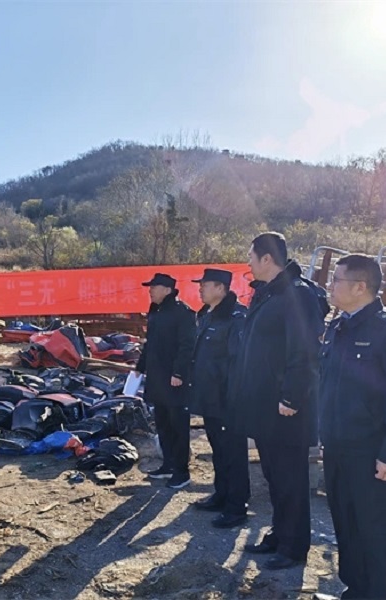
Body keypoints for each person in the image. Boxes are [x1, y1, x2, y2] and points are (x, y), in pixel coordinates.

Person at [319, 254, 386, 599]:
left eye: (336, 280)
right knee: (349, 530)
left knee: (382, 538)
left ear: (360, 286)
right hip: (338, 451)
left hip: (374, 457)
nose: (330, 286)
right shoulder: (338, 327)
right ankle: (357, 591)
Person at [230, 232, 325, 570]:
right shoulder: (269, 293)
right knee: (274, 476)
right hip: (265, 407)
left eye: (251, 257)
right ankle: (280, 533)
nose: (249, 263)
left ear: (267, 258)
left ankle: (293, 547)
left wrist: (292, 396)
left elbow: (305, 351)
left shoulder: (297, 294)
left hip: (286, 409)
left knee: (290, 479)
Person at [188, 268, 250, 527]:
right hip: (210, 397)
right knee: (218, 450)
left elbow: (238, 362)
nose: (200, 289)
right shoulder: (207, 315)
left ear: (221, 288)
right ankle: (221, 494)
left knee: (233, 453)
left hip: (228, 399)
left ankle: (237, 506)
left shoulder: (236, 317)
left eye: (205, 285)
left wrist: (233, 397)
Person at [134, 273, 196, 490]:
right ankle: (168, 464)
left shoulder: (183, 313)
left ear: (167, 289)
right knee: (163, 424)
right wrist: (140, 367)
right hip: (157, 379)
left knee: (178, 425)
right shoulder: (156, 311)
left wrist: (179, 373)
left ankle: (182, 471)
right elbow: (150, 343)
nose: (150, 291)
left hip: (174, 381)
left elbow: (187, 346)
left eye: (154, 287)